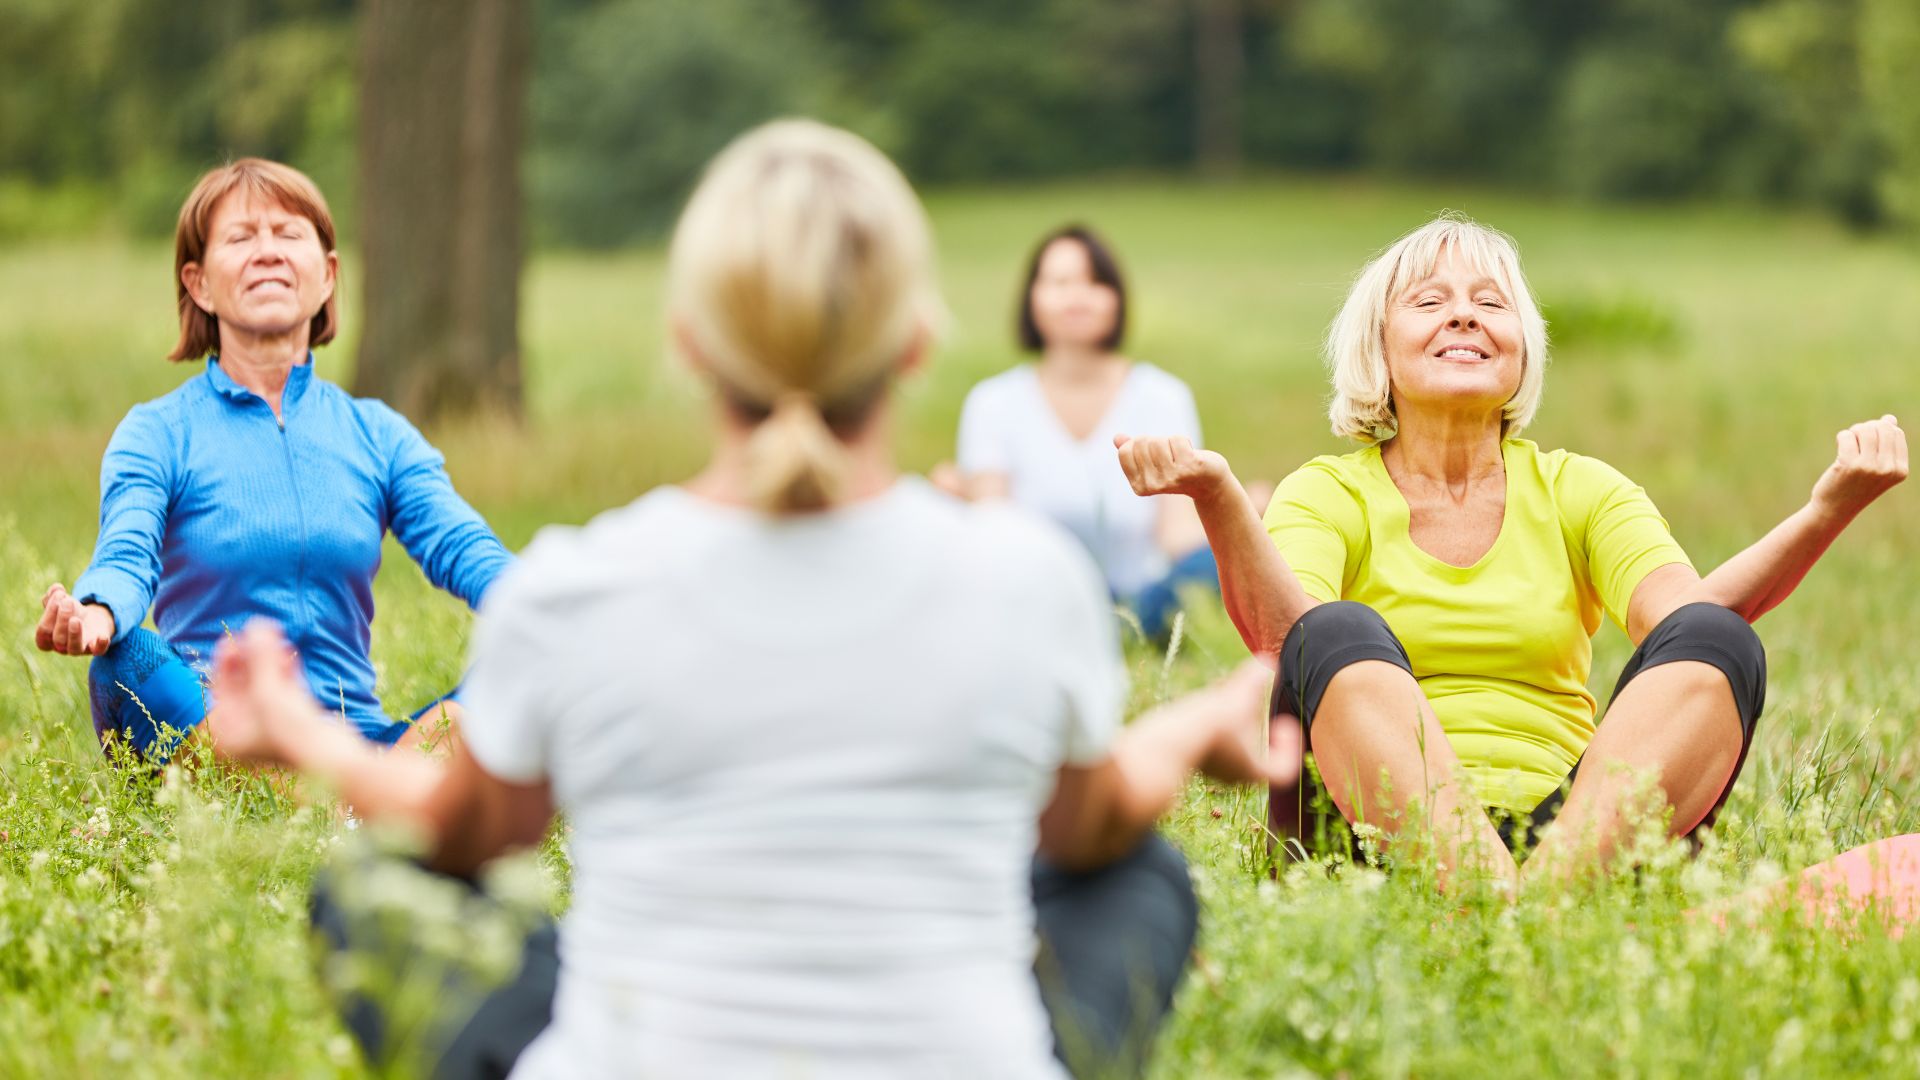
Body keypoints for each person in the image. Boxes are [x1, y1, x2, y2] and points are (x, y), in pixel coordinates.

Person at [204, 121, 1299, 1078]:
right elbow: (1093, 823)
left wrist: (304, 735)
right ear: (915, 344)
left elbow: (457, 831)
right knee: (1135, 873)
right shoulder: (1025, 577)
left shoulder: (579, 586)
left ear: (689, 344)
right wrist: (1196, 723)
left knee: (378, 883)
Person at [1116, 212, 1906, 888]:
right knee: (1334, 630)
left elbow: (1688, 627)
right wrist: (1219, 500)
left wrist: (1825, 511)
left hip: (1567, 835)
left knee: (1718, 638)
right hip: (1371, 840)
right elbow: (1286, 647)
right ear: (1377, 350)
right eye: (1430, 301)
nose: (1464, 317)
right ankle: (1503, 905)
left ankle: (1528, 901)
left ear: (1521, 349)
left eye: (1490, 303)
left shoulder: (1582, 489)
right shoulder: (1329, 492)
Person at [31, 158, 512, 759]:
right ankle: (365, 808)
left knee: (520, 674)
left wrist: (558, 604)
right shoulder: (157, 432)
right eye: (240, 238)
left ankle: (348, 796)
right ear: (199, 282)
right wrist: (98, 613)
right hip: (224, 734)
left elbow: (465, 549)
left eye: (289, 235)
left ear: (328, 275)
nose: (268, 252)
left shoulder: (379, 433)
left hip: (361, 740)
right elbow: (126, 556)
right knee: (125, 661)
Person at [947, 224, 1220, 639]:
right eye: (1059, 282)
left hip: (1142, 600)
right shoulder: (992, 402)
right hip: (1034, 601)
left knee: (1206, 570)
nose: (1077, 297)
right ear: (1032, 299)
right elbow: (994, 535)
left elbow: (1176, 534)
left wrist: (1233, 517)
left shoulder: (1163, 396)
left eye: (1095, 282)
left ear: (1116, 299)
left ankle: (1106, 632)